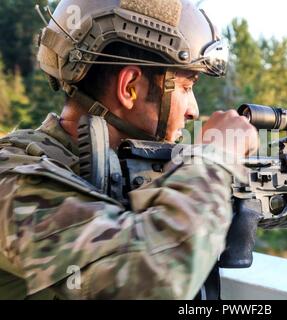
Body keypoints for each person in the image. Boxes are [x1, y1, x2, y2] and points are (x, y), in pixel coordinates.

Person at [0, 0, 257, 299]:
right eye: (187, 87)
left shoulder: (109, 171)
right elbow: (154, 279)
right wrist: (217, 158)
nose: (193, 110)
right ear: (129, 87)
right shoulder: (13, 182)